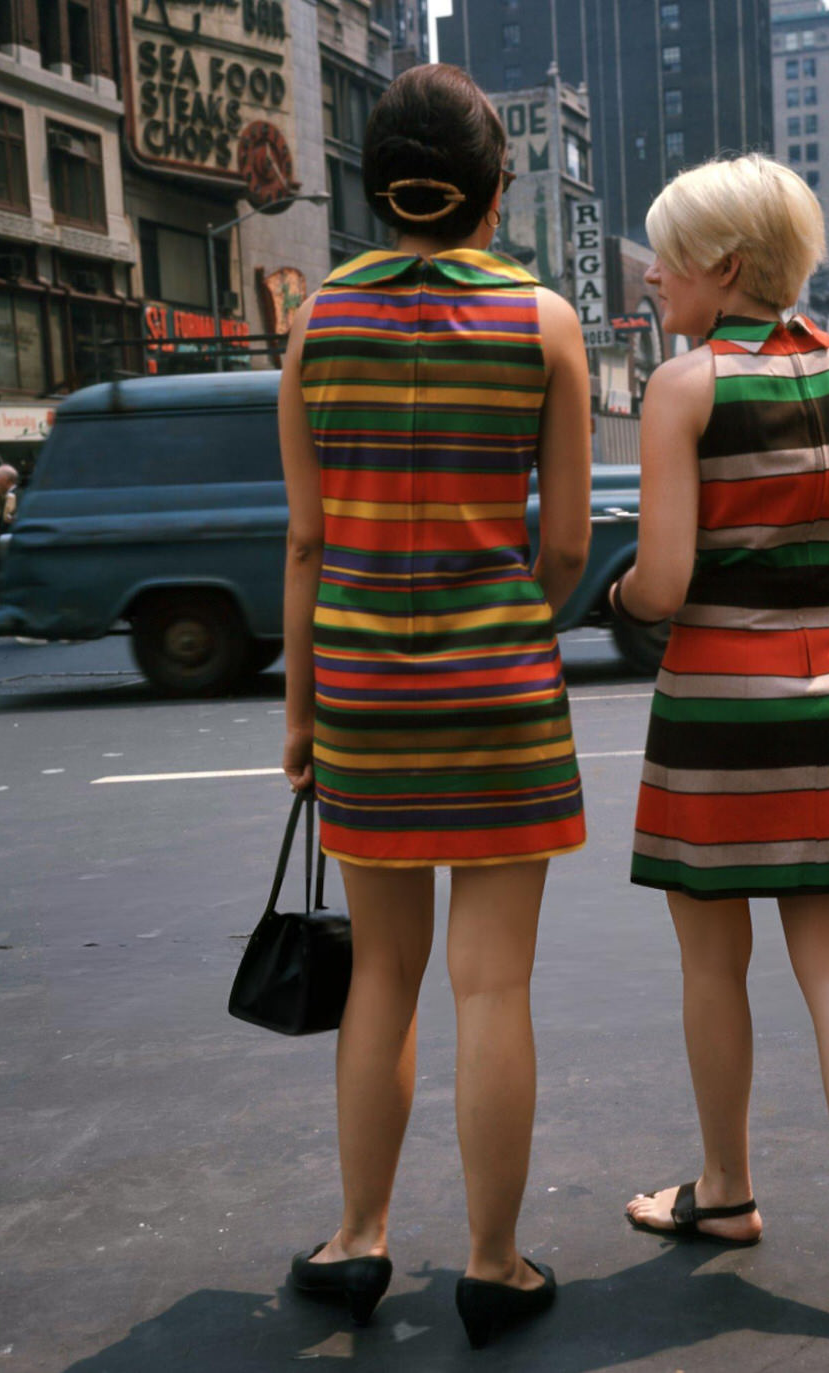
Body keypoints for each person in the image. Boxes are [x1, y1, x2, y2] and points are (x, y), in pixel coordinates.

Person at [276, 63, 591, 1348]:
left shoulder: (311, 324)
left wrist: (300, 715)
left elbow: (302, 541)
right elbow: (566, 547)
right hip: (499, 683)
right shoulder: (546, 323)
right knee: (491, 984)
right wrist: (511, 623)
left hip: (356, 681)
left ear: (370, 182)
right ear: (495, 190)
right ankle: (491, 1259)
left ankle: (356, 1236)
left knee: (382, 977)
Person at [612, 153, 829, 1334]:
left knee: (711, 963)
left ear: (723, 269)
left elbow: (664, 580)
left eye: (668, 258)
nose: (650, 276)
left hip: (714, 704)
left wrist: (622, 598)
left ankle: (728, 1187)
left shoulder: (681, 388)